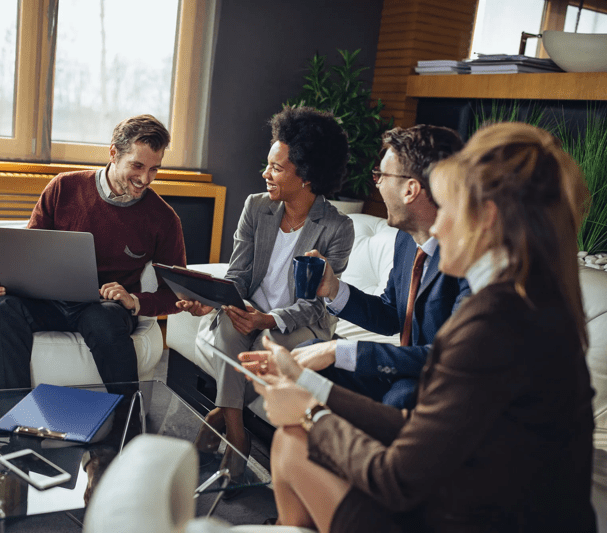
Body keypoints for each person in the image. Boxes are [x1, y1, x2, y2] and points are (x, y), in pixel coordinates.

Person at [242, 122, 596, 532]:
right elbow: (417, 426)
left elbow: (398, 479)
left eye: (448, 209)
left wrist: (310, 413)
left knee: (294, 444)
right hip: (467, 494)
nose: (439, 229)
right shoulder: (529, 302)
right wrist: (307, 385)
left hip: (469, 515)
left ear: (485, 218)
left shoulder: (495, 323)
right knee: (292, 440)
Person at [177, 106, 354, 479]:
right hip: (251, 307)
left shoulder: (338, 228)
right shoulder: (256, 208)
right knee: (228, 325)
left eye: (276, 167)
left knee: (263, 346)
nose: (265, 173)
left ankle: (219, 418)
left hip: (302, 323)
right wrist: (219, 302)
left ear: (305, 175)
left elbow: (316, 304)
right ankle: (238, 436)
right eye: (268, 165)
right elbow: (238, 274)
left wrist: (269, 319)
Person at [0, 114, 186, 390]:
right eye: (137, 166)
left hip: (104, 310)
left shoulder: (163, 218)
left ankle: (127, 428)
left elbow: (176, 293)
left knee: (104, 318)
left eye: (154, 169)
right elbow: (26, 254)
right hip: (48, 302)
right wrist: (1, 281)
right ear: (113, 153)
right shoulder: (63, 187)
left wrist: (134, 300)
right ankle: (14, 426)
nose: (144, 179)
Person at [294, 125, 469, 408]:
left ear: (410, 189)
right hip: (401, 370)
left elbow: (446, 358)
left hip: (439, 383)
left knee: (401, 397)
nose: (376, 184)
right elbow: (390, 315)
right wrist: (334, 289)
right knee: (308, 355)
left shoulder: (466, 257)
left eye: (381, 175)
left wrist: (341, 349)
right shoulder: (406, 240)